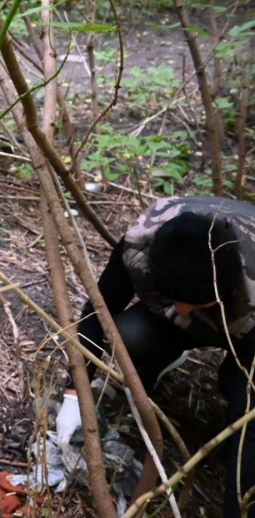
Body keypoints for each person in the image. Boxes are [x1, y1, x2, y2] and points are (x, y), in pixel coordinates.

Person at [55, 196, 255, 518]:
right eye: (177, 298)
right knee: (128, 337)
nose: (184, 311)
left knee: (240, 397)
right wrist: (74, 393)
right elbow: (97, 312)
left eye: (197, 302)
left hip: (244, 327)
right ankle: (160, 357)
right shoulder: (140, 246)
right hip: (175, 317)